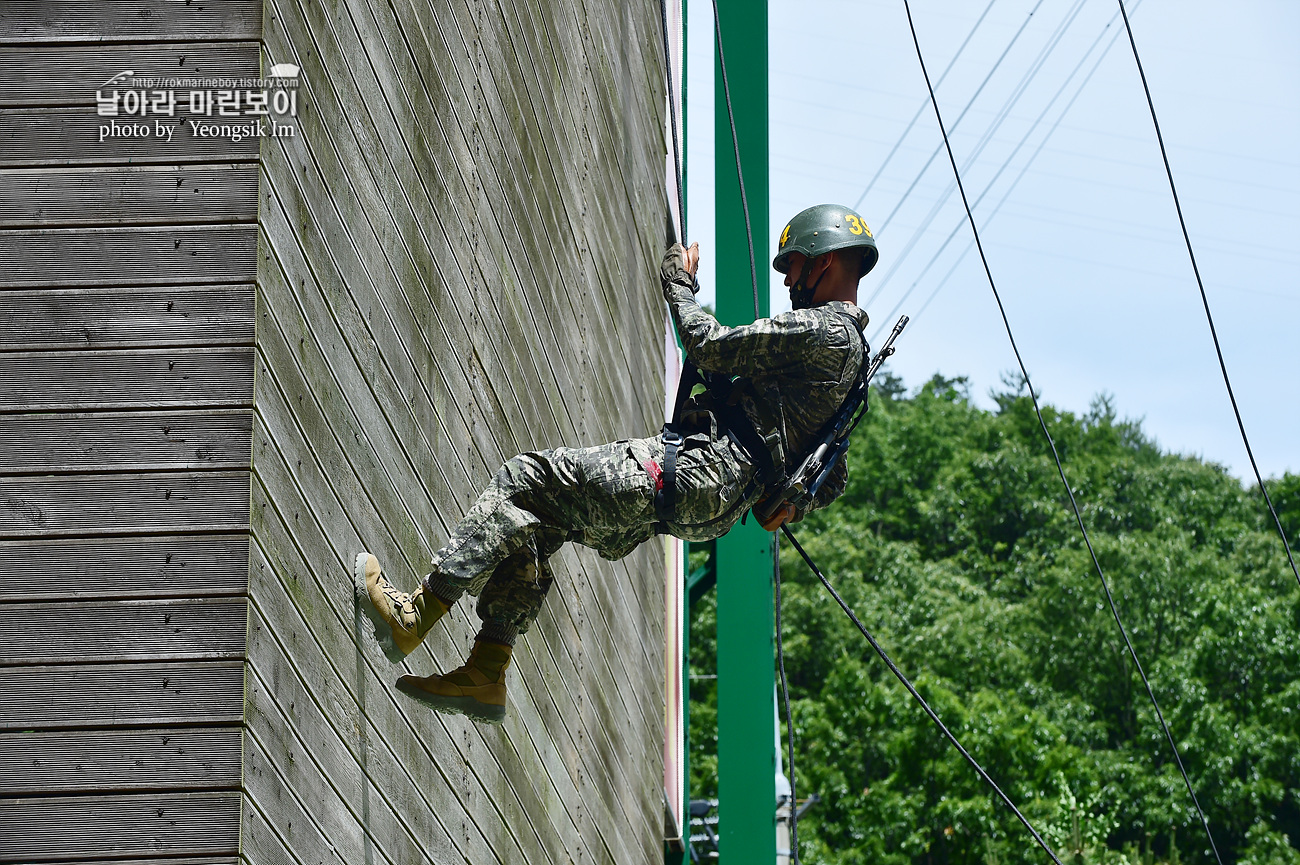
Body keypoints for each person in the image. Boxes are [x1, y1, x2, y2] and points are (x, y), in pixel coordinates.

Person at [354, 203, 880, 724]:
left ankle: (415, 617)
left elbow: (707, 345)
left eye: (793, 268)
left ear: (824, 262)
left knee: (524, 479)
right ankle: (486, 671)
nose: (789, 282)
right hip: (716, 502)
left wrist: (679, 283)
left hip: (698, 469)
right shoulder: (854, 365)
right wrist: (790, 501)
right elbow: (835, 475)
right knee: (543, 517)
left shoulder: (821, 330)